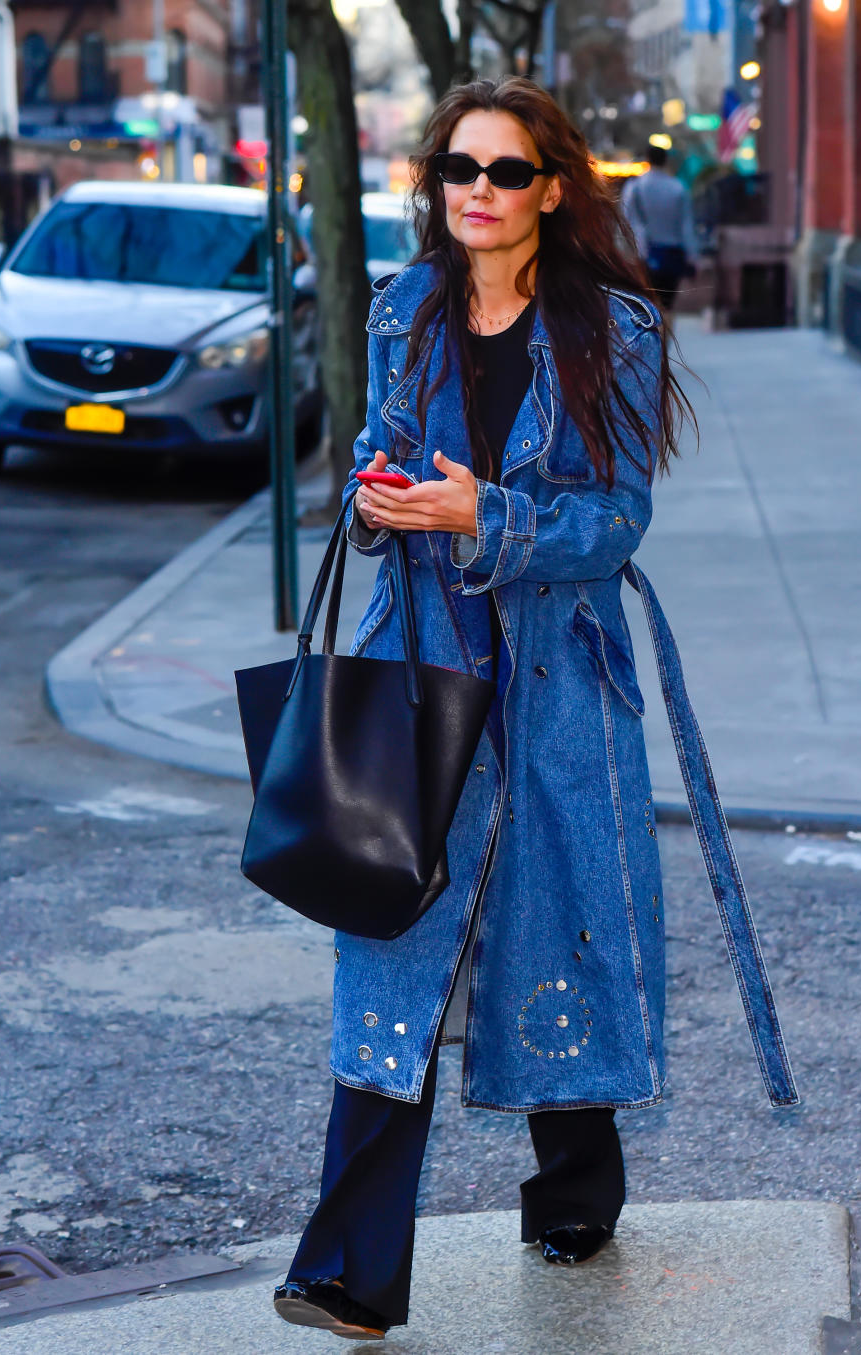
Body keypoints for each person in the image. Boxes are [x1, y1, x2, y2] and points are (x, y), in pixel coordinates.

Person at [272, 76, 797, 1342]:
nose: (480, 194)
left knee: (561, 930)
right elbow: (374, 464)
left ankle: (574, 1188)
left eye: (507, 173)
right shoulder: (401, 313)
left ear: (551, 190)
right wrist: (380, 502)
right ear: (436, 183)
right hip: (423, 676)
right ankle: (348, 1268)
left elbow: (614, 522)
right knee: (390, 945)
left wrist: (483, 514)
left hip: (563, 682)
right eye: (460, 169)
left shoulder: (611, 330)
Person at [620, 144, 698, 311]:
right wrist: (692, 256)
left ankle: (656, 336)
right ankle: (666, 336)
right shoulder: (678, 187)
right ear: (666, 161)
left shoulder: (635, 187)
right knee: (668, 305)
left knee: (648, 305)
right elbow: (686, 225)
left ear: (647, 160)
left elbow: (626, 221)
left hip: (645, 254)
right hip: (673, 253)